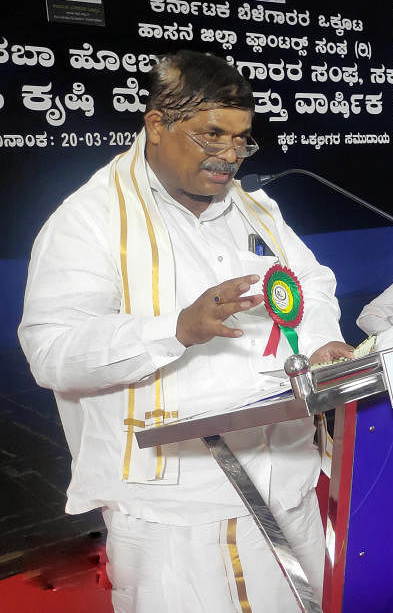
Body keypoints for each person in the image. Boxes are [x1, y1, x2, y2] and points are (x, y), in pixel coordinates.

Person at [18, 50, 355, 611]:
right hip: (180, 504)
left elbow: (311, 282)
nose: (229, 157)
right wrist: (174, 329)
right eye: (212, 137)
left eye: (242, 139)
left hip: (287, 479)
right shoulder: (89, 219)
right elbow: (51, 352)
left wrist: (321, 341)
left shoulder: (256, 210)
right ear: (157, 125)